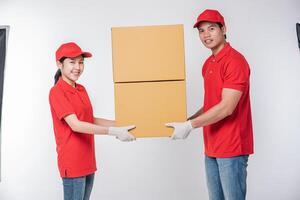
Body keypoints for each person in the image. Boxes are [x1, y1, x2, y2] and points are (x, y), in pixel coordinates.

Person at [166, 9, 254, 200]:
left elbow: (227, 107)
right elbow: (211, 104)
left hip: (232, 148)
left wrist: (190, 126)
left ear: (223, 29)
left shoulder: (235, 61)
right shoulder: (208, 64)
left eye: (211, 28)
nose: (206, 35)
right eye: (201, 30)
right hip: (212, 146)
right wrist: (187, 120)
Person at [49, 42, 136, 200]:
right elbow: (76, 125)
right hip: (72, 163)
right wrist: (113, 132)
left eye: (81, 62)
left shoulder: (81, 89)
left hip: (88, 160)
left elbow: (90, 120)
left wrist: (119, 124)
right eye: (72, 62)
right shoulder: (57, 92)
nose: (78, 67)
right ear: (59, 64)